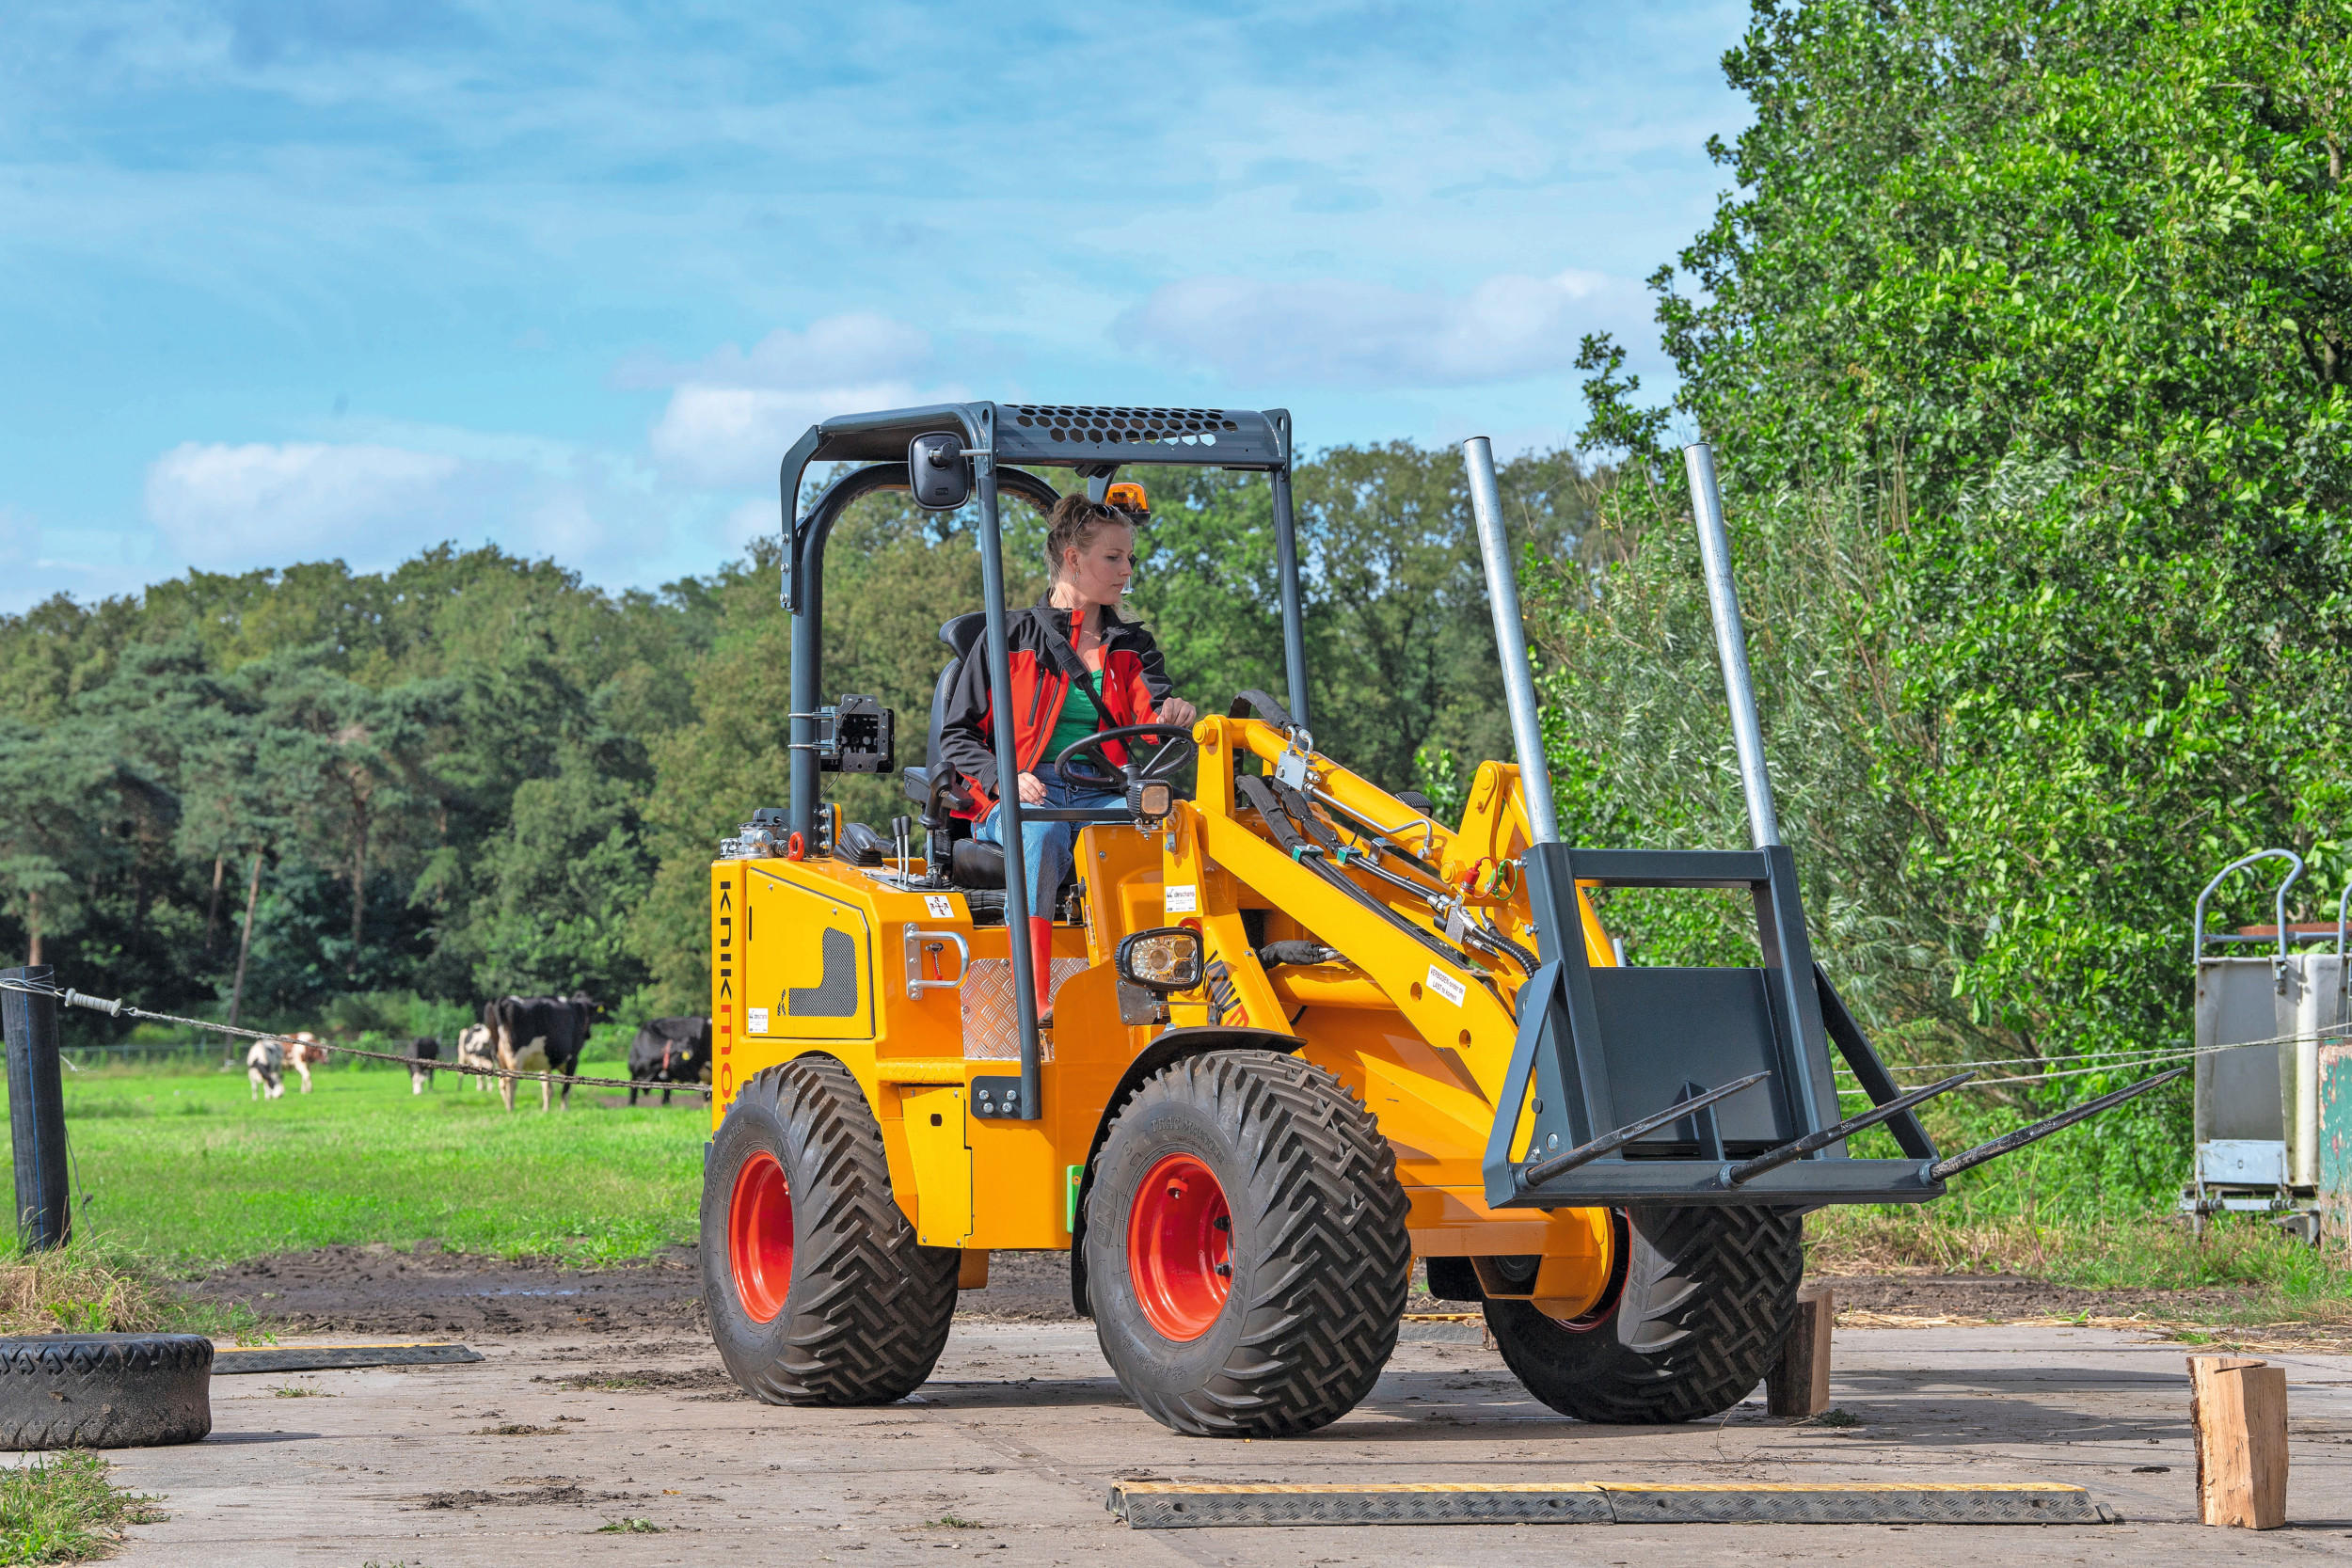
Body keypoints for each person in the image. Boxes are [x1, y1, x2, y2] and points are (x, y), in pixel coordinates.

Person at [938, 490, 1198, 1025]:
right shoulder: (1008, 637)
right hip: (1027, 793)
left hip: (1105, 788)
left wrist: (1171, 715)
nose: (1127, 570)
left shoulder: (1133, 645)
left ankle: (1158, 987)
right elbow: (958, 737)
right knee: (1039, 832)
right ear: (1073, 559)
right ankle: (1034, 998)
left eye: (1130, 558)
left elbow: (1147, 728)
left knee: (1175, 831)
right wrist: (1005, 778)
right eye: (1114, 557)